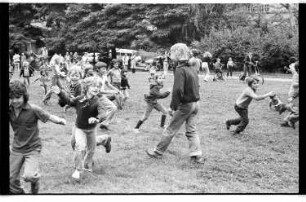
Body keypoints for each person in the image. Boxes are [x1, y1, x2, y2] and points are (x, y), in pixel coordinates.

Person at [146, 43, 206, 164]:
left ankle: (157, 152)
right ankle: (197, 156)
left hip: (185, 105)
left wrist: (173, 107)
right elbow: (197, 85)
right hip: (195, 104)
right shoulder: (192, 67)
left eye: (171, 52)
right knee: (192, 130)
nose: (170, 54)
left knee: (170, 129)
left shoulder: (180, 69)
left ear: (177, 53)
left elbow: (178, 90)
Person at [9, 80, 66, 194]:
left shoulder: (33, 109)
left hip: (32, 148)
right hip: (16, 148)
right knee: (11, 179)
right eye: (12, 98)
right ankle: (20, 193)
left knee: (29, 176)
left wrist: (60, 120)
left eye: (18, 97)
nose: (15, 101)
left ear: (24, 96)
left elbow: (48, 116)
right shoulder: (9, 110)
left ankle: (35, 182)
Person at [53, 76, 111, 181]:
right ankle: (78, 170)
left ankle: (104, 139)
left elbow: (103, 113)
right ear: (87, 87)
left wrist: (97, 119)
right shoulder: (80, 99)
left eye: (98, 86)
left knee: (91, 150)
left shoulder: (97, 101)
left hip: (91, 130)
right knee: (79, 146)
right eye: (93, 86)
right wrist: (60, 93)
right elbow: (69, 101)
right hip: (79, 128)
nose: (96, 88)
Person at [279, 58, 299, 129]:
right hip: (294, 93)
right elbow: (294, 85)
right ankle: (284, 107)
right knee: (295, 109)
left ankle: (286, 121)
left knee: (295, 109)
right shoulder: (297, 74)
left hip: (296, 94)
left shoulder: (295, 71)